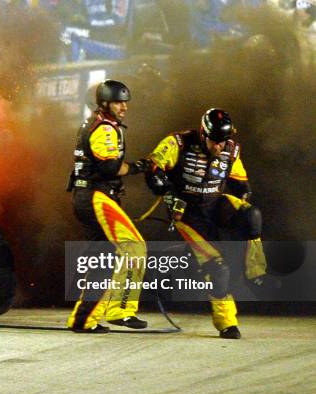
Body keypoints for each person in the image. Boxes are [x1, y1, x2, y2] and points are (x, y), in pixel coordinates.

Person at [144, 108, 271, 339]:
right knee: (218, 267)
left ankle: (256, 271)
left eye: (223, 142)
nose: (219, 147)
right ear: (203, 134)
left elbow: (241, 183)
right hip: (188, 213)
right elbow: (152, 168)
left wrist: (243, 194)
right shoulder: (178, 142)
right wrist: (162, 186)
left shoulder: (231, 149)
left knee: (252, 216)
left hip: (215, 203)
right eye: (214, 142)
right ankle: (226, 322)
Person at [67, 79, 150, 333]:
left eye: (125, 102)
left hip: (88, 195)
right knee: (135, 247)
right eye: (117, 102)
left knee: (103, 260)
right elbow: (110, 167)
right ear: (104, 103)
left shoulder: (97, 122)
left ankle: (84, 319)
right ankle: (119, 311)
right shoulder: (104, 129)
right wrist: (139, 167)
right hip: (96, 197)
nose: (123, 107)